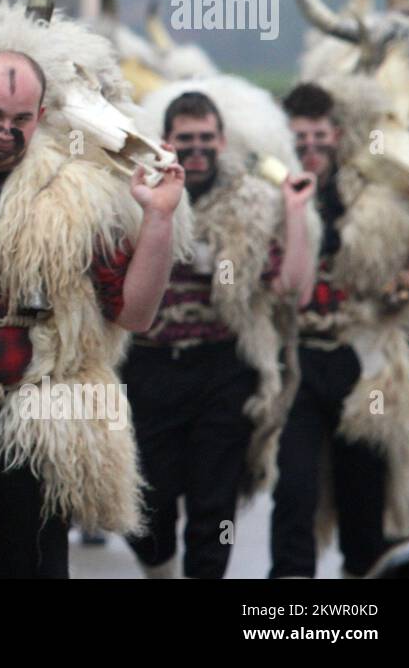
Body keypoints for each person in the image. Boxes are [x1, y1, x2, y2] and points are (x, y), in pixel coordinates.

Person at [0, 50, 184, 578]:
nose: (5, 131)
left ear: (41, 117)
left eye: (20, 119)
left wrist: (158, 218)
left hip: (34, 414)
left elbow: (135, 314)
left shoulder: (79, 197)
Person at [125, 90, 314, 578]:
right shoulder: (136, 195)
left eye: (206, 137)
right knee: (147, 499)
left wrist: (294, 212)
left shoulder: (253, 202)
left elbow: (288, 285)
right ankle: (161, 570)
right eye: (185, 139)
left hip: (221, 369)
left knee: (214, 502)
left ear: (222, 139)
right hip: (149, 367)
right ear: (166, 141)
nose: (197, 148)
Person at [271, 81, 409, 577]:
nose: (311, 148)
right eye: (300, 138)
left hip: (362, 365)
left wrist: (408, 278)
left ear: (337, 135)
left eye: (320, 137)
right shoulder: (268, 195)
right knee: (293, 491)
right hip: (296, 361)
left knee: (363, 494)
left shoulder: (377, 194)